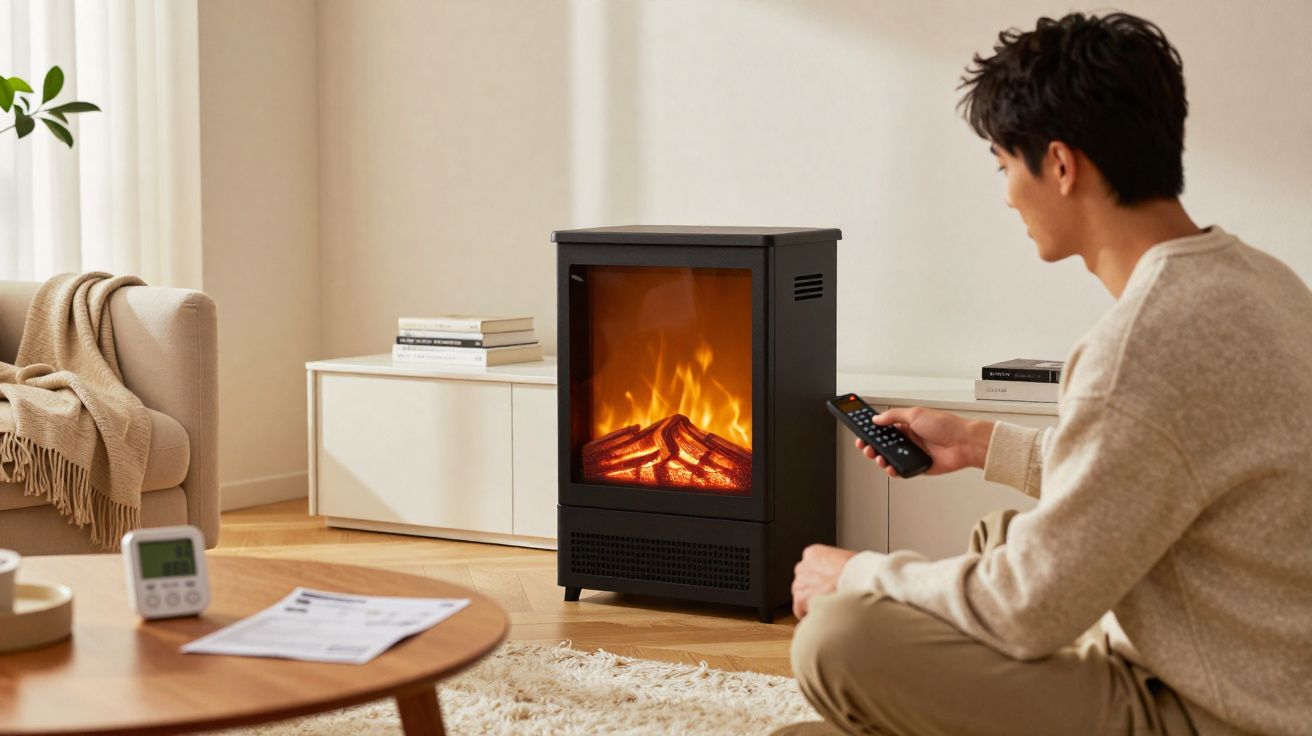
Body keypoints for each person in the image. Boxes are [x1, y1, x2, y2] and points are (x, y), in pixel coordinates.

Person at [778, 12, 1312, 736]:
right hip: (1259, 665)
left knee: (839, 640)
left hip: (1209, 711)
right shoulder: (1263, 280)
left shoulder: (1143, 344)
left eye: (1004, 165)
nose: (1005, 195)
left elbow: (1026, 610)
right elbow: (1156, 466)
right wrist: (974, 441)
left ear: (1060, 165)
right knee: (1000, 536)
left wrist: (858, 574)